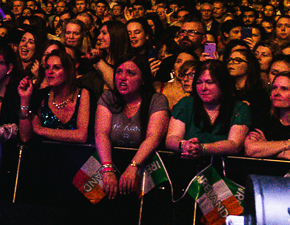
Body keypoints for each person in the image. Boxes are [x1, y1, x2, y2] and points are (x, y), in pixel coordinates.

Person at [93, 55, 169, 198]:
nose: (122, 77)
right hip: (111, 161)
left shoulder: (157, 100)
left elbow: (153, 137)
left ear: (143, 79)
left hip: (145, 166)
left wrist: (133, 166)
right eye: (119, 72)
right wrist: (107, 169)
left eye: (130, 73)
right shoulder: (108, 97)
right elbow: (101, 134)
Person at [166, 59, 250, 161]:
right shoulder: (186, 104)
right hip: (187, 167)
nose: (203, 88)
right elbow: (171, 138)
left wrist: (203, 149)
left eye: (209, 82)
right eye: (199, 82)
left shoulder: (239, 108)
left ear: (222, 83)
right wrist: (185, 146)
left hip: (225, 171)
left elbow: (234, 145)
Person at [244, 73, 290, 162]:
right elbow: (251, 150)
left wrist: (268, 150)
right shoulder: (265, 117)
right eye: (274, 88)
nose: (276, 93)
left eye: (284, 89)